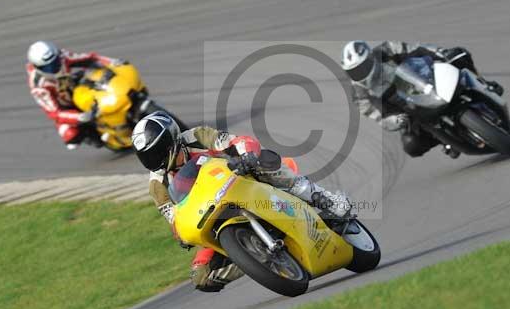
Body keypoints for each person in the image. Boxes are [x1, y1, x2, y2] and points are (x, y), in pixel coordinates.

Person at [131, 111, 352, 292]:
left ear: (171, 138)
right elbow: (173, 217)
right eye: (147, 156)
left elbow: (236, 141)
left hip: (240, 179)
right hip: (213, 213)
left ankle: (328, 201)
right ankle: (254, 257)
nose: (155, 160)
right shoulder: (157, 185)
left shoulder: (196, 136)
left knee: (265, 162)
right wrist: (181, 235)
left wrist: (246, 156)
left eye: (157, 151)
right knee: (200, 277)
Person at [340, 40, 503, 158]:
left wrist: (441, 54)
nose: (361, 73)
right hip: (406, 109)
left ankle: (484, 83)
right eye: (355, 71)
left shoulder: (387, 49)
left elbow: (419, 49)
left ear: (371, 58)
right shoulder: (358, 93)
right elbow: (377, 115)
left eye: (363, 67)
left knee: (459, 54)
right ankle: (443, 139)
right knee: (411, 145)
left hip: (424, 81)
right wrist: (396, 120)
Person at [26, 40, 123, 149]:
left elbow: (90, 58)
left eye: (55, 62)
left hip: (75, 86)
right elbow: (55, 113)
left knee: (97, 73)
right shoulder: (38, 86)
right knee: (71, 137)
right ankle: (95, 134)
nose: (54, 67)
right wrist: (79, 117)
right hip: (65, 106)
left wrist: (111, 62)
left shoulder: (62, 56)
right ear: (37, 67)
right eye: (48, 67)